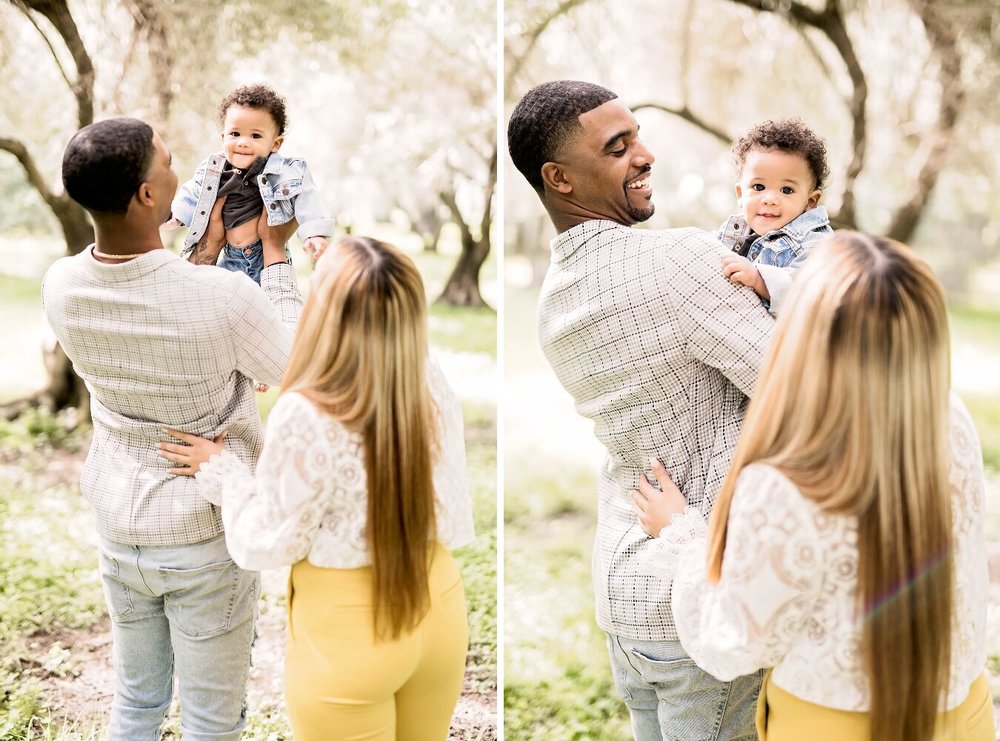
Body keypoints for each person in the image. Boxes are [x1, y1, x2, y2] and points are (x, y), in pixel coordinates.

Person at [633, 231, 994, 741]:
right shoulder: (950, 419)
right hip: (964, 713)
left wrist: (681, 536)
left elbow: (732, 645)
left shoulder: (786, 482)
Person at [507, 79, 775, 739]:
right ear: (560, 178)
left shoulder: (554, 301)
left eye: (639, 136)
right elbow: (801, 385)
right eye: (618, 146)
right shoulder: (679, 261)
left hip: (628, 592)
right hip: (703, 598)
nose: (646, 155)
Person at [41, 118, 302, 739]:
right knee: (212, 721)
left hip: (118, 527)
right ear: (148, 196)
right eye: (166, 160)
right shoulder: (223, 298)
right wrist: (276, 253)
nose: (181, 164)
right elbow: (294, 367)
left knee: (134, 705)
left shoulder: (61, 285)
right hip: (203, 530)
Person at [157, 235, 476, 740]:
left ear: (324, 312)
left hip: (348, 628)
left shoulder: (309, 412)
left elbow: (272, 539)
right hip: (440, 604)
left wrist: (223, 470)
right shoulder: (429, 379)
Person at [168, 83, 334, 283]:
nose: (243, 142)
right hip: (229, 259)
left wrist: (315, 234)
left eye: (255, 136)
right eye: (235, 134)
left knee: (270, 308)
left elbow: (308, 198)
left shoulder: (287, 171)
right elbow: (193, 191)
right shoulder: (214, 169)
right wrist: (176, 215)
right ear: (223, 137)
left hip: (263, 261)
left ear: (275, 144)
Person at [719, 119, 833, 315]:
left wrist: (758, 279)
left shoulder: (817, 243)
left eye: (786, 190)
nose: (770, 199)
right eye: (759, 187)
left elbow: (806, 295)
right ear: (740, 194)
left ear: (810, 201)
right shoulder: (733, 232)